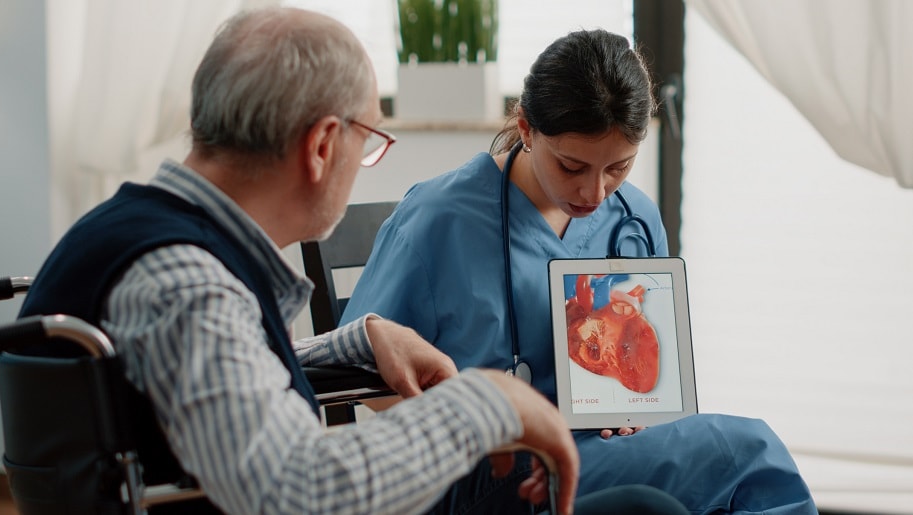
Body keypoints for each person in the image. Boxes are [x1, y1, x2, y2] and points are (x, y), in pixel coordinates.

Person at [15, 8, 691, 515]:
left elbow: (189, 387)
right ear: (321, 145)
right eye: (370, 140)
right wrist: (482, 402)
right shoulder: (188, 284)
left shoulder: (141, 241)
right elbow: (294, 487)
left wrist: (354, 341)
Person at [341, 27, 819, 515]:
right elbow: (362, 376)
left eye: (619, 168)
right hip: (489, 470)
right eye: (572, 167)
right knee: (749, 453)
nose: (595, 192)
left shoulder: (635, 219)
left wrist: (638, 416)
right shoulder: (439, 218)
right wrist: (481, 420)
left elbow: (651, 373)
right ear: (526, 129)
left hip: (599, 456)